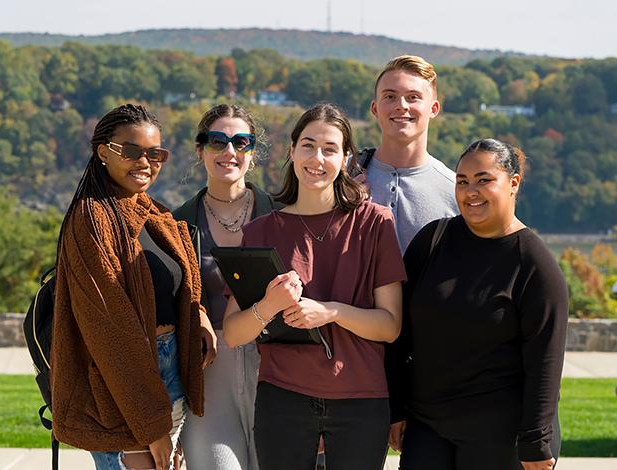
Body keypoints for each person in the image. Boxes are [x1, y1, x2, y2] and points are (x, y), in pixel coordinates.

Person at [222, 103, 406, 470]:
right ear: (291, 151)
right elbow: (233, 333)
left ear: (346, 157)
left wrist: (330, 312)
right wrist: (269, 305)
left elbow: (390, 326)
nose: (316, 158)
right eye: (307, 146)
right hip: (283, 398)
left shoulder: (375, 224)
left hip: (361, 400)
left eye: (329, 148)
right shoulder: (260, 232)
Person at [50, 104, 216, 470]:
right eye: (132, 151)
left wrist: (198, 315)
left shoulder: (154, 213)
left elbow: (174, 285)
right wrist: (151, 424)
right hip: (123, 390)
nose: (145, 162)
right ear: (103, 152)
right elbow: (111, 331)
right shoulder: (91, 219)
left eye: (155, 154)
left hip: (167, 375)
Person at [387, 138, 568, 470]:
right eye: (462, 181)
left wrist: (536, 441)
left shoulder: (534, 265)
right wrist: (396, 408)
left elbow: (546, 360)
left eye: (484, 180)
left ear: (513, 183)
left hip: (501, 434)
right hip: (427, 425)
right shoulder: (432, 241)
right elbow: (401, 336)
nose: (471, 191)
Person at [174, 104, 282, 470]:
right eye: (217, 141)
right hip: (208, 369)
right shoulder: (176, 224)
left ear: (253, 151)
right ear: (200, 149)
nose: (229, 152)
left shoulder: (282, 215)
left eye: (241, 142)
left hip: (275, 367)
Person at [361, 54, 459, 253]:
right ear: (375, 108)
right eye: (390, 96)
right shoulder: (342, 177)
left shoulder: (456, 191)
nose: (401, 105)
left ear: (434, 108)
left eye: (413, 97)